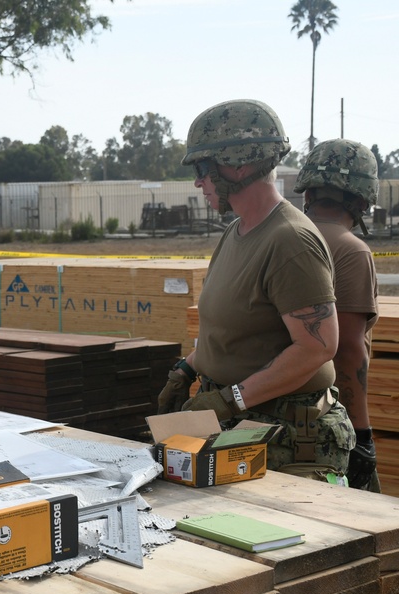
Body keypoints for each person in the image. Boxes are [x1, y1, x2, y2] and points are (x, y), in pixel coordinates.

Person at [156, 99, 355, 482]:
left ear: (239, 165)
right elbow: (236, 330)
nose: (198, 182)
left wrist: (231, 399)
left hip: (287, 439)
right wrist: (188, 368)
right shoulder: (237, 231)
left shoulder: (290, 240)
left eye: (203, 169)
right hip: (241, 425)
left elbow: (318, 346)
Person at [294, 138, 380, 491]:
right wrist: (362, 436)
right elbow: (347, 350)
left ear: (308, 191)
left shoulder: (279, 236)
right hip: (321, 425)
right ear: (361, 200)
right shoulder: (351, 250)